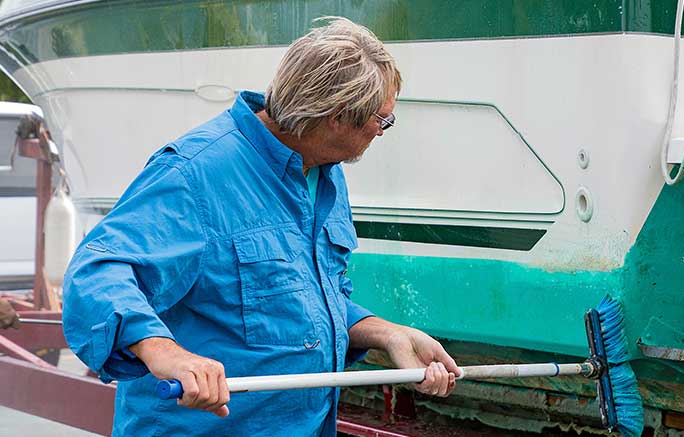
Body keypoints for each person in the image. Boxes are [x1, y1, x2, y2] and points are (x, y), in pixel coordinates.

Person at [63, 17, 460, 436]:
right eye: (382, 120)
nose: (382, 132)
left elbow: (300, 302)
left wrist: (387, 334)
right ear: (337, 117)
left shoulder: (323, 172)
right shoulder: (195, 174)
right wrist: (165, 351)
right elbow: (96, 271)